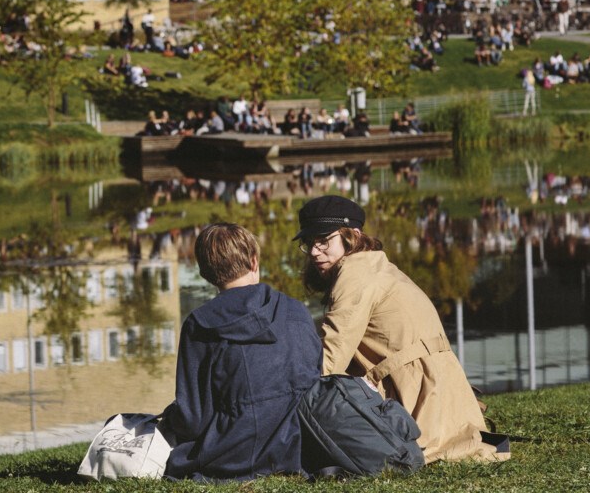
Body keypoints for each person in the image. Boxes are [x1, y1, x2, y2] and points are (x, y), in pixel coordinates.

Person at [298, 195, 507, 463]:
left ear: (352, 235)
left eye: (323, 240)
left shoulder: (355, 274)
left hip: (421, 406)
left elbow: (329, 364)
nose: (315, 251)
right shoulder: (373, 265)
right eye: (309, 243)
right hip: (445, 401)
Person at [161, 223, 321, 481]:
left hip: (232, 457)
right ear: (254, 261)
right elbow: (316, 381)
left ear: (205, 273)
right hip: (301, 448)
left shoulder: (199, 325)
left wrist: (169, 421)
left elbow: (193, 418)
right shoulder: (297, 311)